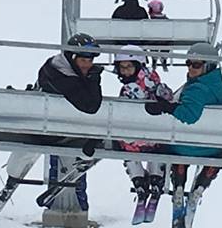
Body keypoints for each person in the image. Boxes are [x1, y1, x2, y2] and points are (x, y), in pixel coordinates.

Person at [143, 42, 222, 221]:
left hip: (184, 146)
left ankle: (179, 185)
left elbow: (189, 115)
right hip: (213, 146)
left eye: (196, 65)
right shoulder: (216, 83)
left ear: (208, 65)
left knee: (175, 149)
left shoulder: (198, 88)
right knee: (215, 153)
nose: (190, 68)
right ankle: (200, 186)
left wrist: (166, 107)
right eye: (188, 63)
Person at [36, 33, 104, 210]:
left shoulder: (57, 66)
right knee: (92, 145)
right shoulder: (62, 76)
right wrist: (94, 80)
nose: (87, 65)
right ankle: (77, 202)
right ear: (72, 57)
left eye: (90, 61)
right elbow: (91, 105)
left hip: (56, 125)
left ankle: (74, 200)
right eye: (83, 60)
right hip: (54, 132)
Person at [113, 46, 174, 210]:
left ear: (138, 66)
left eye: (129, 67)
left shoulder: (137, 87)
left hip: (143, 136)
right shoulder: (151, 80)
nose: (125, 72)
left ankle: (142, 179)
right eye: (122, 68)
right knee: (146, 147)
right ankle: (150, 179)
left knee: (127, 146)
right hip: (151, 137)